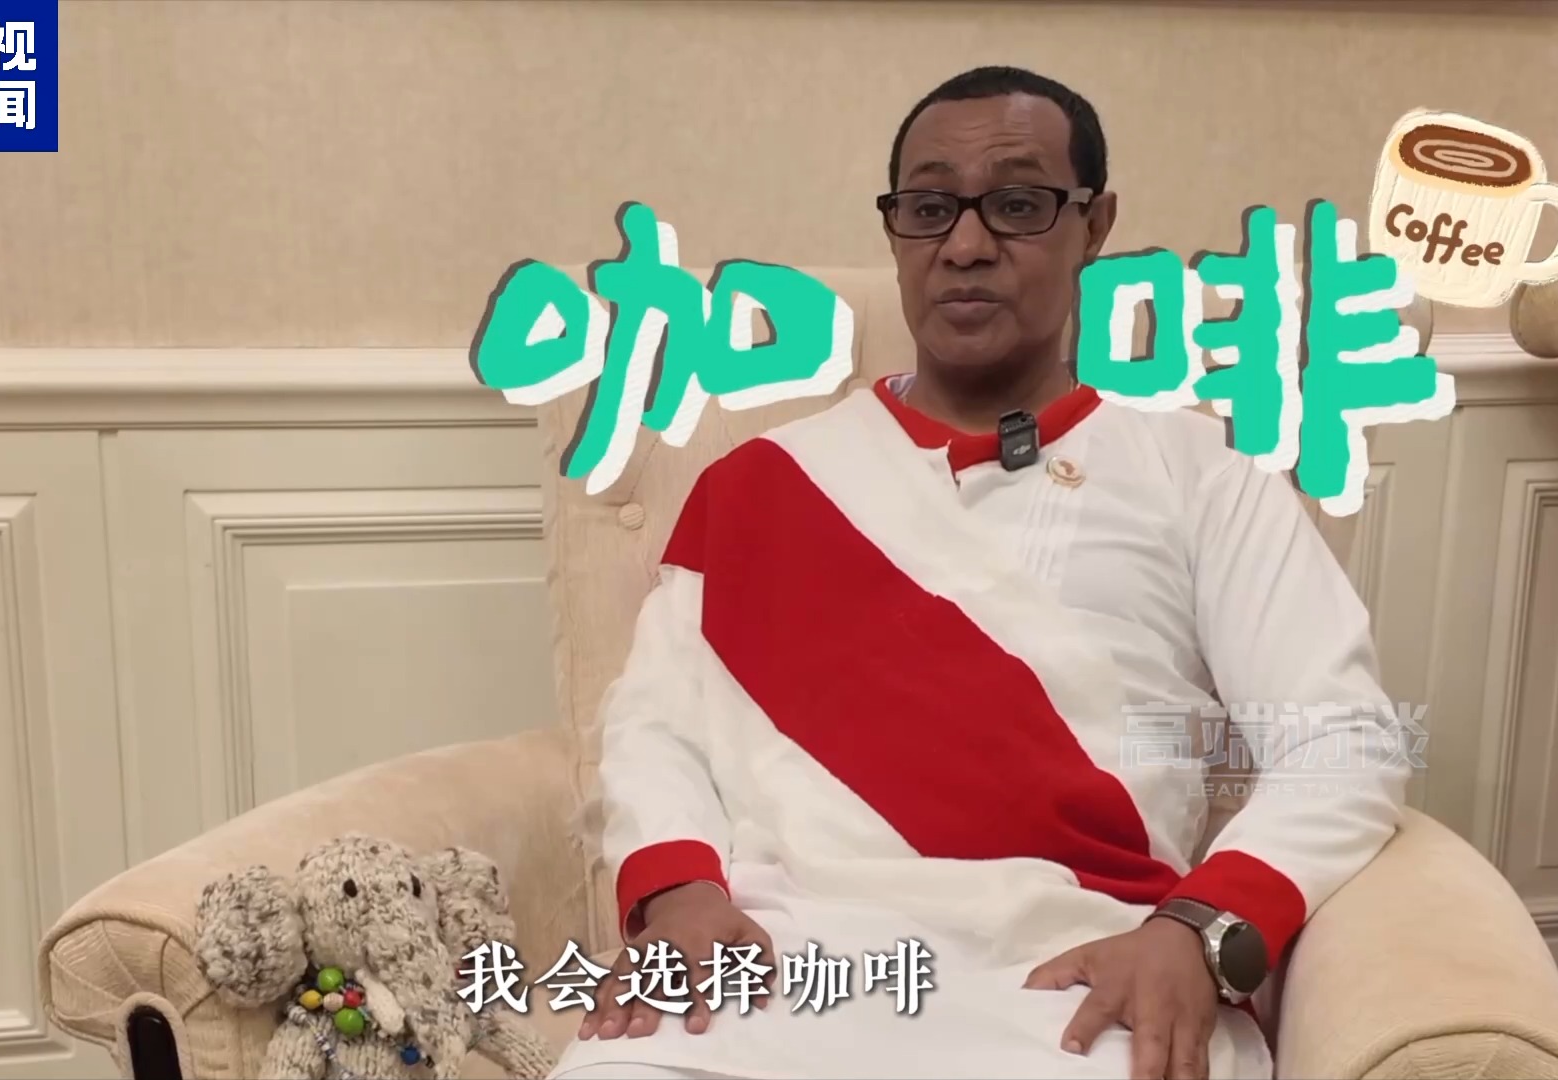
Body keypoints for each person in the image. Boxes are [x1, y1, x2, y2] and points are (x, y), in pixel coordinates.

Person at [545, 65, 1408, 1080]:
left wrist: (1203, 929)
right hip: (780, 965)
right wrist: (681, 892)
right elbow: (657, 724)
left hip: (1081, 974)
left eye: (1018, 204)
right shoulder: (757, 485)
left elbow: (1340, 741)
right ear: (897, 232)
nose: (964, 244)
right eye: (929, 208)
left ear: (1094, 225)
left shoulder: (1204, 478)